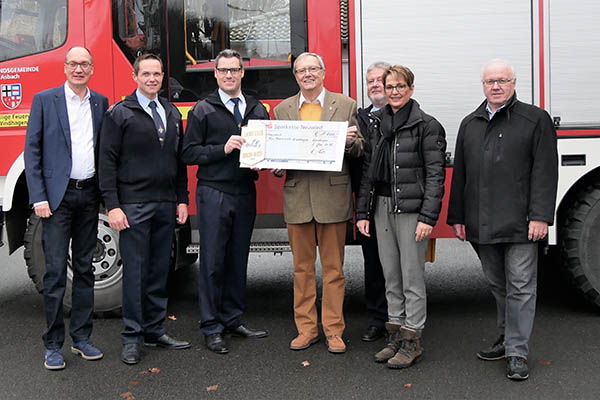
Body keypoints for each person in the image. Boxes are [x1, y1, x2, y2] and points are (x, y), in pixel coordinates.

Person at [447, 59, 558, 381]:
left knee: (521, 286)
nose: (496, 86)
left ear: (513, 83)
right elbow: (462, 176)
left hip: (522, 224)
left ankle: (517, 352)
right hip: (481, 224)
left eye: (502, 80)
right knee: (499, 286)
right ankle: (507, 337)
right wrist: (457, 217)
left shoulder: (535, 119)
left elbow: (545, 171)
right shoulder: (470, 123)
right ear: (483, 85)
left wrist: (540, 216)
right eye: (490, 81)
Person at [99, 53, 191, 365]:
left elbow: (177, 162)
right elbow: (107, 162)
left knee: (158, 271)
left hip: (165, 205)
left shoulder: (171, 112)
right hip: (133, 206)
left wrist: (182, 199)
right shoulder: (120, 113)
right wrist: (112, 206)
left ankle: (155, 329)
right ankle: (132, 336)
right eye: (146, 74)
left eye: (157, 74)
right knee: (135, 273)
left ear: (163, 77)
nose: (152, 79)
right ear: (135, 77)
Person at [356, 65, 446, 369]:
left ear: (410, 88)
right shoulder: (377, 124)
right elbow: (369, 173)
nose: (394, 91)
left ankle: (412, 340)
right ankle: (393, 335)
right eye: (389, 86)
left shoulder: (427, 126)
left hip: (411, 211)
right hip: (381, 207)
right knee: (391, 276)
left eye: (400, 86)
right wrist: (363, 213)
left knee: (412, 278)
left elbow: (435, 177)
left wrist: (427, 217)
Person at [24, 46, 108, 370]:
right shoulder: (46, 100)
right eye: (73, 63)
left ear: (92, 69)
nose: (78, 69)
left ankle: (82, 338)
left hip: (89, 197)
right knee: (56, 274)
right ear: (64, 67)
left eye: (84, 64)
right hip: (57, 201)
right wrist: (39, 197)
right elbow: (33, 151)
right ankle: (53, 345)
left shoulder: (99, 102)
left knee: (85, 272)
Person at [273, 52, 363, 354]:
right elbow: (279, 153)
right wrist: (272, 161)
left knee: (334, 270)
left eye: (313, 69)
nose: (307, 74)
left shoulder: (346, 104)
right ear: (295, 76)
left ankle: (334, 330)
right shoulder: (282, 109)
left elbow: (360, 148)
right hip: (298, 198)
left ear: (323, 73)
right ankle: (307, 328)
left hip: (332, 197)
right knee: (302, 269)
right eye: (301, 70)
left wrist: (351, 143)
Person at [181, 49, 270, 355]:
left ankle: (232, 318)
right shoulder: (202, 109)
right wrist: (223, 149)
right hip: (214, 192)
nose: (230, 75)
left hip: (245, 191)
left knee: (237, 259)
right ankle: (211, 326)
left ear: (242, 73)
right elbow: (189, 153)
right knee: (212, 261)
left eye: (235, 70)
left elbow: (269, 148)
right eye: (224, 70)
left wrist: (268, 161)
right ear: (215, 74)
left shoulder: (258, 109)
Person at [352, 61, 390, 342]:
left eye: (381, 80)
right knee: (373, 263)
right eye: (370, 81)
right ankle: (378, 319)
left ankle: (401, 321)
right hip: (368, 202)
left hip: (399, 202)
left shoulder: (408, 115)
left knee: (399, 265)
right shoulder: (357, 119)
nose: (375, 85)